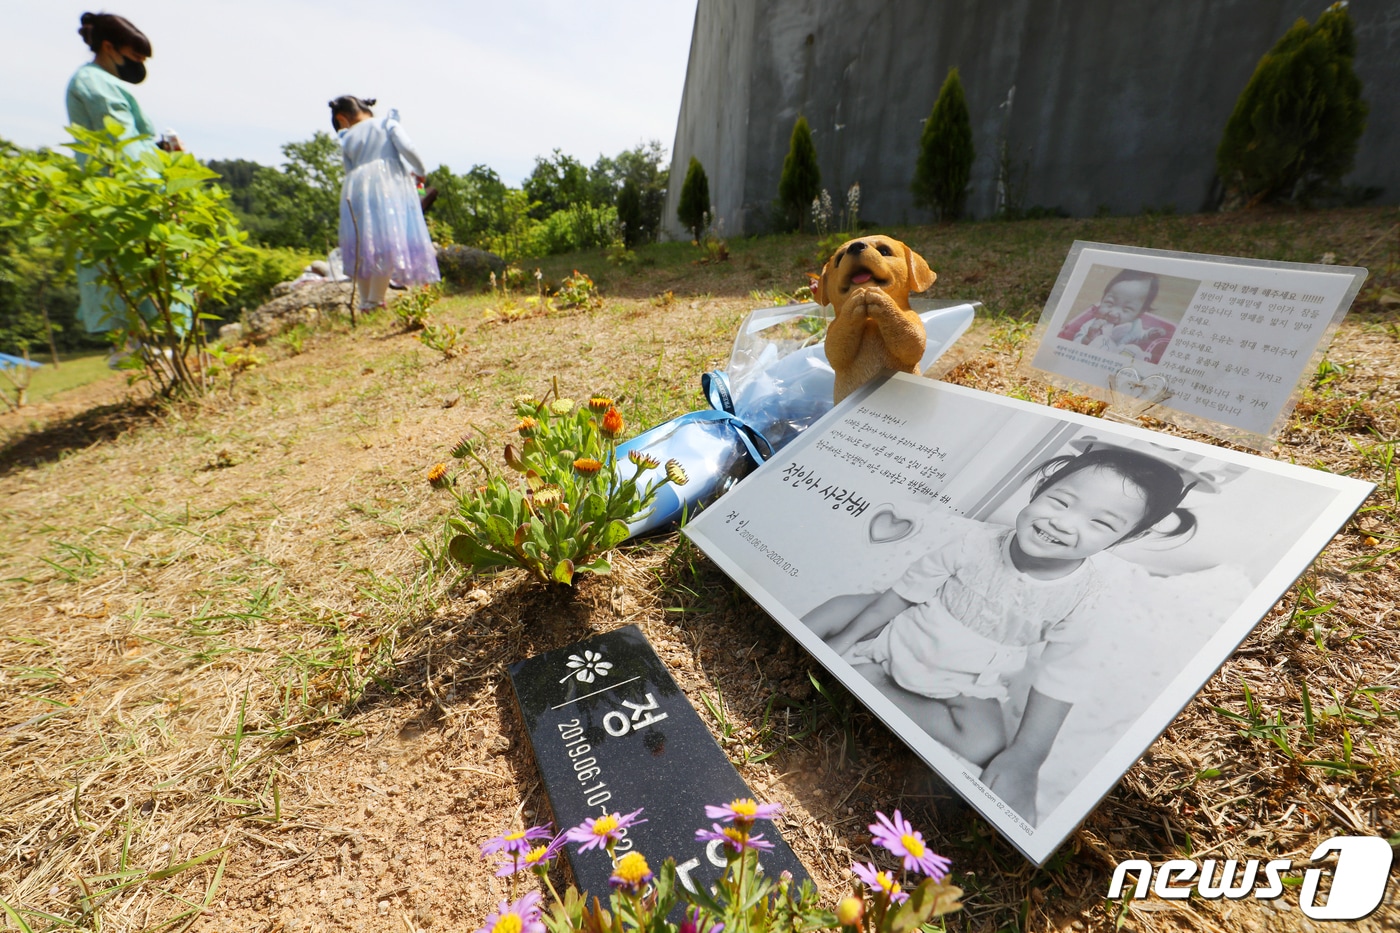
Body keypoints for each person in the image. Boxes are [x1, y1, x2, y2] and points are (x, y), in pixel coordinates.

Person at [803, 446, 1197, 822]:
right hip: (905, 628)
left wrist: (1027, 759)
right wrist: (849, 638)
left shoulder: (1086, 599)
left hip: (965, 679)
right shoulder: (974, 542)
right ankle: (848, 656)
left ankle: (872, 683)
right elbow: (906, 591)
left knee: (986, 745)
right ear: (1039, 490)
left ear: (1123, 539)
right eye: (1060, 502)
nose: (1063, 522)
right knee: (841, 607)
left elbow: (1063, 675)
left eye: (1101, 523)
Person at [66, 12, 186, 345]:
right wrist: (158, 189)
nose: (139, 67)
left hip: (123, 183)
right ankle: (143, 346)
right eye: (134, 57)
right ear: (108, 47)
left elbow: (134, 139)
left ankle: (148, 344)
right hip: (123, 189)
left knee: (138, 274)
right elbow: (122, 143)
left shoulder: (103, 81)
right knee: (137, 273)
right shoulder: (93, 83)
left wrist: (160, 150)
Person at [329, 96, 440, 310]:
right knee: (388, 241)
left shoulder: (347, 137)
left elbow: (348, 169)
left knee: (362, 245)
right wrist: (420, 172)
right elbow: (407, 147)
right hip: (386, 186)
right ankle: (376, 299)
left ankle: (364, 301)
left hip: (354, 190)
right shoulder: (386, 123)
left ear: (342, 119)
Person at [1070, 270, 1167, 355]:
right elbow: (1075, 343)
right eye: (1109, 303)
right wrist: (1087, 338)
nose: (1113, 313)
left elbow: (1139, 338)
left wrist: (1149, 335)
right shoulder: (1093, 325)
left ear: (1139, 314)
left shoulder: (1135, 325)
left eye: (1126, 309)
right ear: (1103, 299)